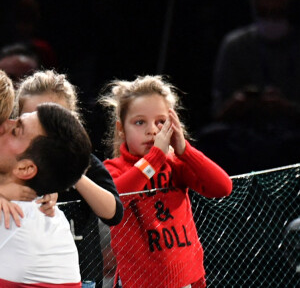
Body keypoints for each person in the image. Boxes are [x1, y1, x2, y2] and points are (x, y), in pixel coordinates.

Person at [98, 75, 233, 288]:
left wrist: (184, 149)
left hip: (183, 281)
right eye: (140, 122)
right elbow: (115, 203)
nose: (152, 130)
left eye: (161, 122)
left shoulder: (176, 165)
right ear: (121, 129)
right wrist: (155, 158)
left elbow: (222, 187)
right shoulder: (113, 169)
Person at [12, 69, 124, 287]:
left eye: (54, 118)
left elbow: (113, 213)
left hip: (82, 278)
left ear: (71, 121)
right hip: (25, 276)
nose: (43, 128)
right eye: (33, 118)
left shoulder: (85, 163)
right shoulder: (11, 165)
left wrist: (73, 173)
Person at [0, 102, 92, 286]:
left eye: (15, 131)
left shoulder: (10, 217)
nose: (4, 124)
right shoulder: (46, 215)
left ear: (25, 168)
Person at [212, 0, 300, 117]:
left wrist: (287, 107)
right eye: (264, 12)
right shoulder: (236, 45)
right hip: (242, 127)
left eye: (277, 13)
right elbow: (217, 109)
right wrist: (238, 103)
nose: (271, 20)